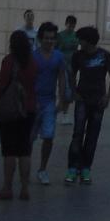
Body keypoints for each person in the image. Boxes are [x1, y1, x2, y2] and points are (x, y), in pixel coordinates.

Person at [0, 29, 37, 202]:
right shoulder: (32, 61)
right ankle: (24, 188)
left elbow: (1, 85)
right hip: (29, 109)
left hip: (11, 110)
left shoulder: (9, 61)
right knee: (25, 150)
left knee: (9, 151)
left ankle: (7, 187)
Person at [65, 27, 110, 187]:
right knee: (77, 134)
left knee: (92, 136)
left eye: (81, 40)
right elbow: (72, 75)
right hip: (82, 99)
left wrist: (108, 96)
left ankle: (86, 168)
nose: (79, 43)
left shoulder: (104, 55)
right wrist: (74, 92)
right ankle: (72, 168)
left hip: (98, 101)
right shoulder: (78, 56)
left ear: (87, 40)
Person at [31, 22, 69, 185]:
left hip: (49, 102)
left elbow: (61, 77)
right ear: (40, 39)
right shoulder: (33, 56)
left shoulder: (59, 56)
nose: (49, 41)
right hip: (33, 102)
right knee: (29, 138)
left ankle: (42, 169)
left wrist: (62, 99)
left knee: (48, 136)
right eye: (46, 38)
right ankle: (24, 166)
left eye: (52, 38)